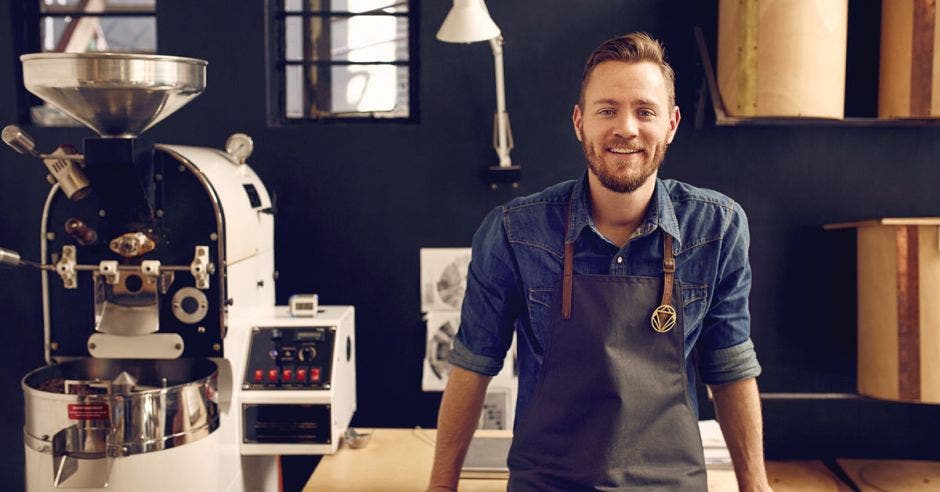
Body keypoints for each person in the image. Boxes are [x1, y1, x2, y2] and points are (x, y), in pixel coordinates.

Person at [428, 33, 770, 491]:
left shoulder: (717, 227)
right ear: (579, 122)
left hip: (671, 483)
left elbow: (730, 366)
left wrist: (756, 485)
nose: (626, 127)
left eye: (644, 111)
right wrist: (440, 485)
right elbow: (473, 365)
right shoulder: (514, 231)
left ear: (671, 124)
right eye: (607, 110)